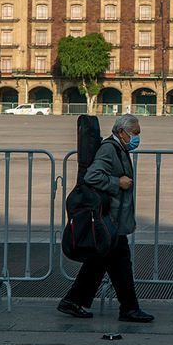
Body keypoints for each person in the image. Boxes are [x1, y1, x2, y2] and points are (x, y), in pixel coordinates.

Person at [58, 113, 154, 323]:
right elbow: (92, 176)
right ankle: (128, 308)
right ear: (121, 132)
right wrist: (116, 183)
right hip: (109, 219)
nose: (137, 137)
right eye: (135, 133)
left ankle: (74, 301)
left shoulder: (119, 149)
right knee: (118, 263)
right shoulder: (110, 149)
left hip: (113, 220)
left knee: (102, 262)